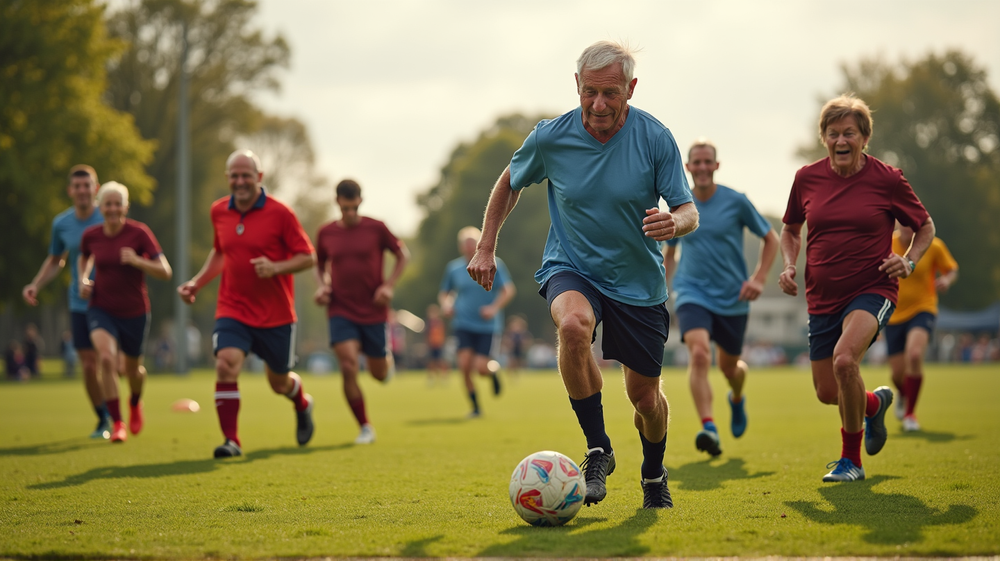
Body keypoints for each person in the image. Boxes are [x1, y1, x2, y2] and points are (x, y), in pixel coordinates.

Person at [466, 41, 698, 509]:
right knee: (572, 326)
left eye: (610, 93)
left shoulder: (656, 138)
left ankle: (653, 472)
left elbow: (689, 209)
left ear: (630, 89)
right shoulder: (551, 136)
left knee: (645, 400)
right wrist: (487, 245)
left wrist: (675, 222)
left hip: (638, 282)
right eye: (589, 91)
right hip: (572, 266)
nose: (598, 104)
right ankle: (598, 449)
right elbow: (509, 181)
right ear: (576, 85)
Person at [779, 94, 935, 482]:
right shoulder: (807, 178)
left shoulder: (888, 179)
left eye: (849, 132)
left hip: (874, 288)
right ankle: (874, 402)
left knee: (846, 360)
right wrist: (787, 264)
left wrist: (909, 260)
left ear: (865, 137)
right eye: (833, 133)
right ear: (824, 138)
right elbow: (790, 229)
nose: (841, 140)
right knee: (828, 392)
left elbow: (925, 226)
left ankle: (851, 462)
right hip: (821, 296)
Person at [178, 150, 317, 458]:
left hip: (276, 314)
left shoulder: (281, 213)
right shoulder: (219, 212)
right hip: (233, 308)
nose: (240, 182)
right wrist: (197, 283)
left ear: (259, 178)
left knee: (278, 382)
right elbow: (221, 253)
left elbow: (308, 257)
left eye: (246, 175)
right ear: (228, 178)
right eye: (235, 176)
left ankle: (303, 403)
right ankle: (232, 441)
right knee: (225, 363)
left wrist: (276, 267)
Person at [664, 139, 779, 458]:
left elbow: (772, 239)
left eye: (707, 162)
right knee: (699, 354)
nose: (701, 168)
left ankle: (737, 398)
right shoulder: (680, 203)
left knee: (731, 369)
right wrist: (662, 289)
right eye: (695, 163)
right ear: (687, 168)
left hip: (732, 298)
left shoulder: (736, 201)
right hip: (691, 292)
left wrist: (758, 279)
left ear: (716, 166)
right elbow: (670, 253)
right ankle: (709, 426)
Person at [313, 179, 409, 445]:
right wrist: (322, 287)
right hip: (340, 308)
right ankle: (365, 426)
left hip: (373, 310)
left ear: (360, 202)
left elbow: (403, 255)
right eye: (345, 209)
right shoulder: (326, 233)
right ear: (338, 204)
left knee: (378, 373)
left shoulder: (376, 228)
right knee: (348, 365)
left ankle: (385, 361)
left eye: (354, 207)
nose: (350, 214)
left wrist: (389, 286)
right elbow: (317, 263)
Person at [79, 181, 172, 443]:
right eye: (107, 204)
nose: (112, 209)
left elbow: (165, 271)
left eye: (117, 203)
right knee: (106, 359)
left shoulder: (139, 233)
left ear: (125, 207)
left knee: (133, 371)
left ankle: (134, 403)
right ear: (100, 206)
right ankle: (117, 422)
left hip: (134, 311)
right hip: (101, 308)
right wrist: (83, 279)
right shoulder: (92, 235)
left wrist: (138, 260)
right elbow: (84, 257)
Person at [22, 165, 110, 437]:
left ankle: (119, 405)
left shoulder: (108, 215)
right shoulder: (61, 224)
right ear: (70, 190)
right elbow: (55, 260)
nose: (83, 191)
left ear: (96, 189)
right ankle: (103, 417)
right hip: (80, 302)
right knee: (88, 363)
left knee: (112, 361)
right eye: (78, 186)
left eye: (88, 186)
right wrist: (35, 285)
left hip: (111, 301)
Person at [886, 227, 958, 431]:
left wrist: (946, 279)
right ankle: (903, 393)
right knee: (896, 374)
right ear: (898, 223)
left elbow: (952, 269)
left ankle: (910, 414)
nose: (908, 227)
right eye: (904, 223)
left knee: (915, 355)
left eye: (912, 223)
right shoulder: (886, 243)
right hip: (892, 313)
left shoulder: (932, 244)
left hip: (923, 308)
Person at [440, 226, 516, 418]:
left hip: (487, 325)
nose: (468, 248)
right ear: (460, 247)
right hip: (463, 323)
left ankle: (493, 372)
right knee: (464, 365)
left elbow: (508, 290)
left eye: (472, 244)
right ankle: (475, 408)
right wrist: (447, 305)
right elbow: (445, 293)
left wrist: (493, 308)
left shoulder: (495, 263)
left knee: (481, 368)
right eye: (465, 245)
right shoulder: (454, 268)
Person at [425, 303, 449, 385]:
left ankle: (444, 376)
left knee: (440, 361)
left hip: (439, 344)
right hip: (432, 345)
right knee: (431, 362)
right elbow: (427, 335)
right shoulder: (428, 324)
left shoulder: (440, 323)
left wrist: (441, 342)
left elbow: (443, 334)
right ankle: (431, 378)